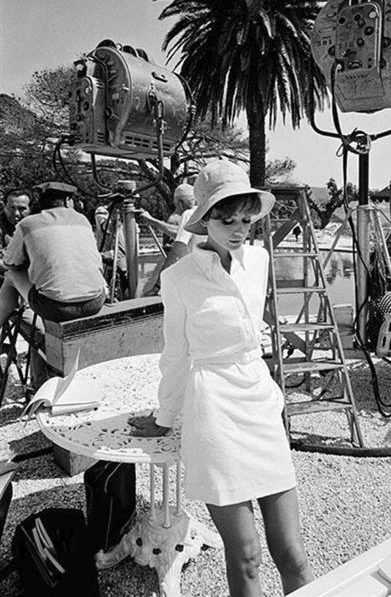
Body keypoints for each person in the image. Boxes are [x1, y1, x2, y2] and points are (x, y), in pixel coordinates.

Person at [129, 159, 314, 596]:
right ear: (204, 218)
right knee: (246, 553)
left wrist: (276, 400)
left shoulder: (261, 260)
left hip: (259, 403)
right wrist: (165, 416)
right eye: (226, 218)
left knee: (293, 553)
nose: (238, 229)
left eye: (246, 219)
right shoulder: (178, 279)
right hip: (212, 409)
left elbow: (258, 336)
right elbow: (176, 353)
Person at [0, 182, 106, 326]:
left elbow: (10, 264)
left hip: (56, 307)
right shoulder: (83, 220)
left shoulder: (27, 224)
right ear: (68, 202)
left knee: (12, 276)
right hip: (96, 301)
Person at [0, 189, 31, 279]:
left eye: (22, 209)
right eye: (12, 208)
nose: (16, 213)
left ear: (30, 209)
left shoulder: (37, 226)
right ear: (4, 207)